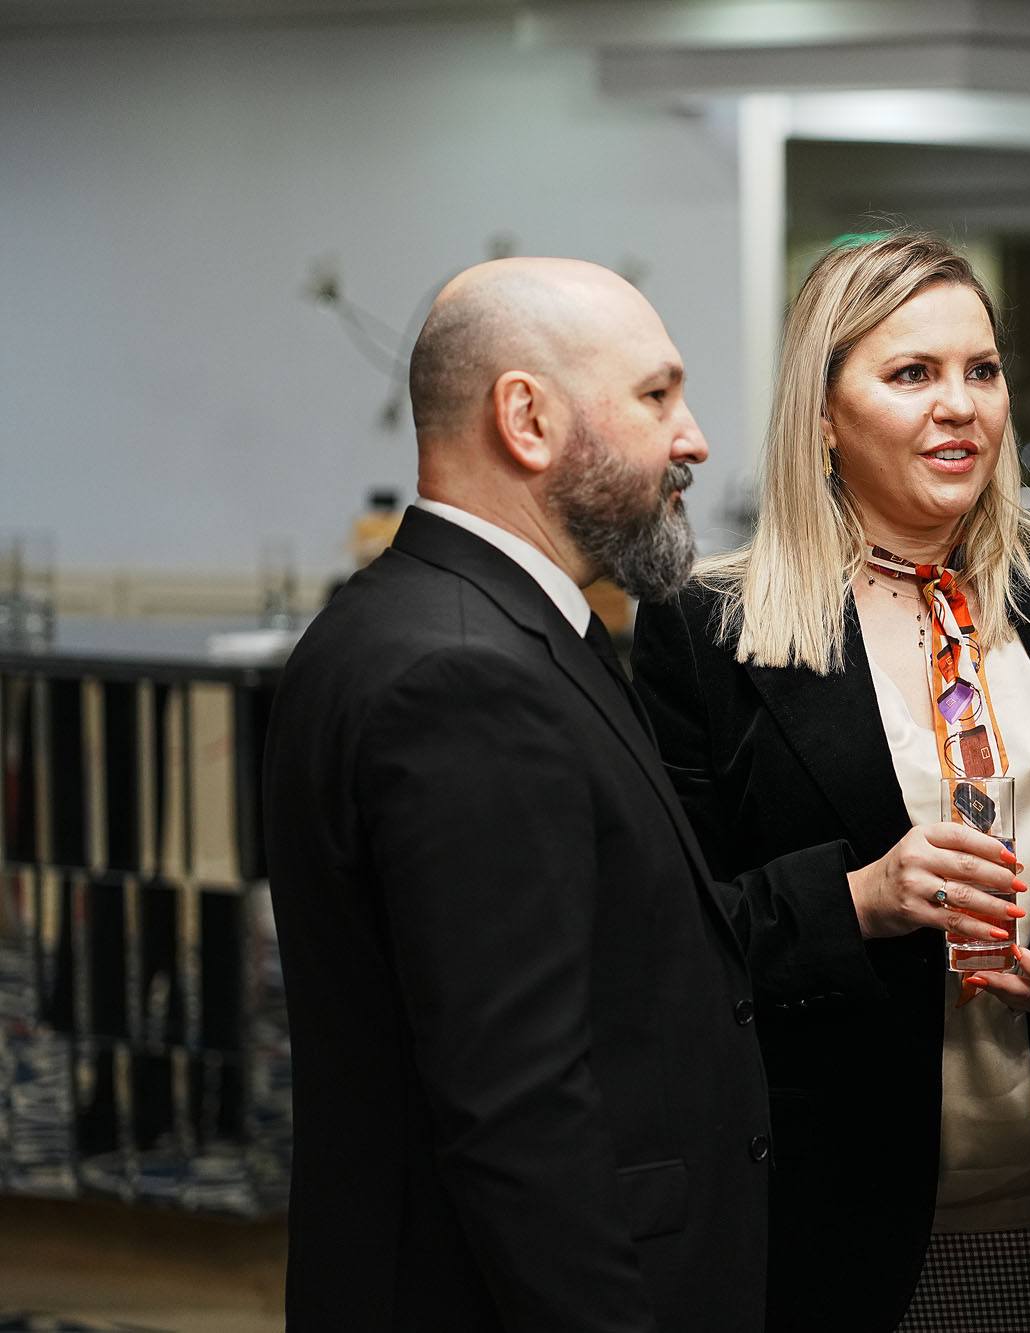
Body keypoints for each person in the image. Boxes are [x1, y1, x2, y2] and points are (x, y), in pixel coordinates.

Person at [632, 232, 1030, 1332]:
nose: (960, 405)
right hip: (841, 1225)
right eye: (912, 373)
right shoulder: (706, 629)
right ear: (822, 414)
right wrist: (857, 900)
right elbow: (665, 940)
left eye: (983, 370)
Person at [264, 259, 769, 1332]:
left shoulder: (440, 619)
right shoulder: (463, 675)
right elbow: (516, 1110)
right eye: (656, 396)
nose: (692, 439)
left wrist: (852, 899)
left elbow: (616, 944)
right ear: (526, 419)